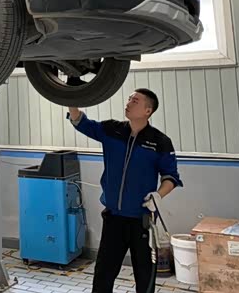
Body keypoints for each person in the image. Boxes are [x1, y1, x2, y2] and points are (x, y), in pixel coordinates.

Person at [68, 89, 182, 293]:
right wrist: (69, 96)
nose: (128, 103)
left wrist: (158, 195)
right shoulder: (112, 130)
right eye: (129, 99)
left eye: (135, 101)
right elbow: (80, 122)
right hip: (114, 219)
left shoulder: (160, 141)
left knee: (144, 275)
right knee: (103, 274)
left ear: (148, 110)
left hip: (142, 221)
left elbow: (171, 177)